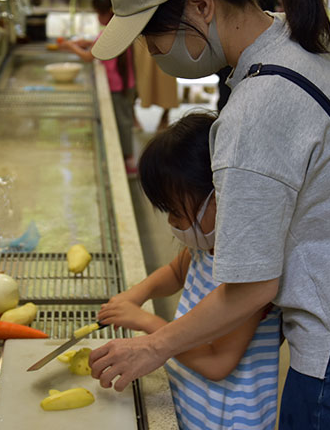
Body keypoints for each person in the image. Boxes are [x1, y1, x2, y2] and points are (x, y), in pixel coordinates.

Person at [87, 0, 330, 428]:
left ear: (202, 6)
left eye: (153, 37)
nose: (152, 53)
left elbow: (251, 289)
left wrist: (154, 344)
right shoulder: (293, 39)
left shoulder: (255, 111)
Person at [99, 112, 281, 429]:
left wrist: (146, 322)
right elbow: (174, 272)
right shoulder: (203, 245)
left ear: (219, 194)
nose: (171, 222)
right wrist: (134, 295)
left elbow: (217, 362)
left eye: (175, 210)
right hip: (192, 402)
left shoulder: (250, 271)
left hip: (227, 419)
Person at [60, 0, 137, 174]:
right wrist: (85, 42)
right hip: (125, 84)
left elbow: (88, 57)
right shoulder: (117, 29)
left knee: (123, 123)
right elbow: (98, 44)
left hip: (118, 87)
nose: (97, 17)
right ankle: (126, 157)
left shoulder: (109, 32)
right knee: (124, 120)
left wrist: (71, 46)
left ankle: (128, 161)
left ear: (108, 12)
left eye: (98, 13)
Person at [133, 36, 180, 131]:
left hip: (165, 34)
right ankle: (132, 116)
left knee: (167, 77)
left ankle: (165, 116)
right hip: (140, 35)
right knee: (139, 77)